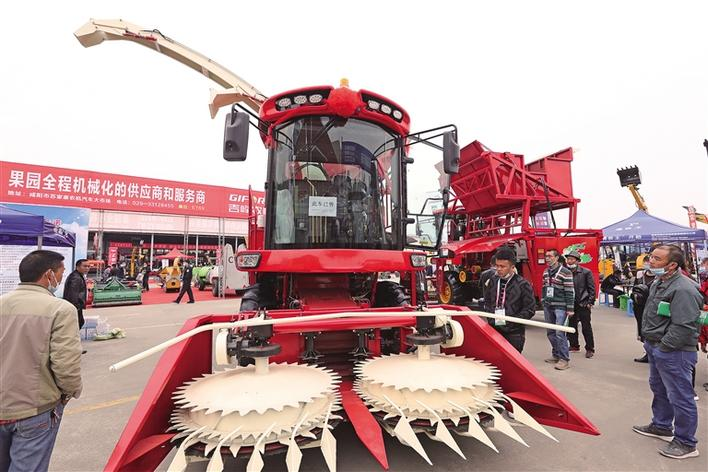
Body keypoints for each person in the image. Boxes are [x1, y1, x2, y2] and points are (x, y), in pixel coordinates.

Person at [0, 250, 83, 472]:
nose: (61, 278)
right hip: (35, 409)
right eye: (61, 273)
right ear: (49, 275)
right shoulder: (60, 309)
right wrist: (68, 393)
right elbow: (66, 365)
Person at [632, 245, 702, 459]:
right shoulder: (659, 282)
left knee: (680, 396)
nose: (650, 261)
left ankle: (686, 442)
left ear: (672, 265)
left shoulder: (684, 289)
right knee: (659, 388)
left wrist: (664, 348)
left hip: (674, 350)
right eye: (651, 257)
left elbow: (685, 326)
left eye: (656, 259)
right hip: (656, 346)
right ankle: (661, 426)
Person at [483, 247, 536, 352]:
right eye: (497, 266)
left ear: (512, 267)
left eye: (502, 266)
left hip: (514, 333)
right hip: (494, 329)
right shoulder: (493, 281)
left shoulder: (523, 284)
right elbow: (487, 301)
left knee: (511, 360)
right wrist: (491, 319)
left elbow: (530, 309)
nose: (498, 269)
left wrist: (511, 322)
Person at [541, 249, 575, 370]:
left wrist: (570, 308)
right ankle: (556, 354)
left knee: (560, 333)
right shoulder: (546, 271)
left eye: (550, 256)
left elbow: (569, 291)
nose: (547, 258)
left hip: (561, 307)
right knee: (550, 332)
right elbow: (544, 287)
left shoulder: (565, 272)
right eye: (546, 256)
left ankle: (564, 359)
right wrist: (543, 300)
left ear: (556, 258)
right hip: (548, 305)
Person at [565, 251, 597, 358]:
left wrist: (590, 302)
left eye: (572, 259)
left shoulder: (586, 272)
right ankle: (574, 345)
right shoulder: (565, 272)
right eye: (568, 259)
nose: (569, 261)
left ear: (577, 261)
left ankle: (590, 348)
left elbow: (592, 288)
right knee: (571, 325)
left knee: (586, 327)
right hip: (571, 304)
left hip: (583, 303)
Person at [631, 266, 656, 363]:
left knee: (652, 329)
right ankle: (648, 353)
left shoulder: (660, 276)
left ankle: (652, 353)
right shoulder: (640, 275)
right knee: (642, 329)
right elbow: (635, 288)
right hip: (639, 307)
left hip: (652, 307)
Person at [63, 259, 89, 329]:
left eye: (88, 266)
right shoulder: (76, 278)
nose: (87, 268)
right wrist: (75, 308)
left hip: (76, 307)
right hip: (75, 308)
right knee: (76, 325)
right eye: (85, 266)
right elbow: (72, 295)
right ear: (77, 267)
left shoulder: (78, 276)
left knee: (79, 323)